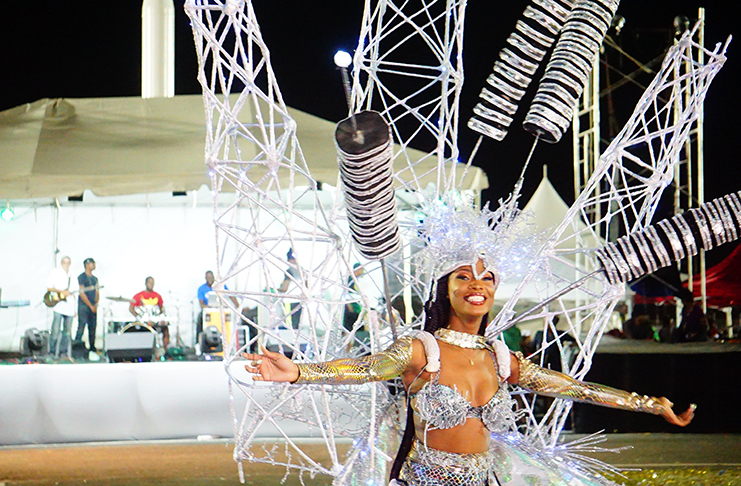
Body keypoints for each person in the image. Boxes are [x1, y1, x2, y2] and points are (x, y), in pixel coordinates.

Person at [243, 260, 695, 485]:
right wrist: (298, 371)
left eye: (486, 278)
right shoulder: (421, 349)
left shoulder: (500, 356)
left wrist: (647, 404)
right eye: (462, 276)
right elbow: (364, 368)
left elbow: (573, 388)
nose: (476, 285)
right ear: (446, 288)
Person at [45, 256, 78, 358]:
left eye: (68, 262)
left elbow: (75, 293)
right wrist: (61, 292)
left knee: (67, 332)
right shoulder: (55, 273)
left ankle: (63, 352)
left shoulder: (73, 276)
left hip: (70, 307)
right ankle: (52, 351)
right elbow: (49, 287)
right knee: (55, 330)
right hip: (58, 306)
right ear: (61, 263)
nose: (66, 264)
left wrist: (75, 309)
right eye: (64, 262)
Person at [129, 276, 169, 349]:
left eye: (152, 283)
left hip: (154, 321)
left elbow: (161, 308)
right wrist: (138, 317)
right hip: (143, 321)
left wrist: (160, 317)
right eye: (149, 283)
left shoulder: (157, 296)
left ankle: (165, 350)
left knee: (165, 329)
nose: (151, 285)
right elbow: (131, 308)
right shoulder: (139, 295)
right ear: (146, 283)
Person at [75, 258, 99, 353]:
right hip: (84, 307)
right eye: (92, 263)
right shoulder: (82, 277)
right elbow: (82, 293)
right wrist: (90, 305)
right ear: (87, 265)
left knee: (93, 327)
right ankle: (76, 347)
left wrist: (96, 304)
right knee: (81, 326)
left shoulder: (95, 279)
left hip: (93, 306)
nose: (94, 265)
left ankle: (92, 347)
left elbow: (97, 292)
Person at [277, 249, 303, 329]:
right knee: (297, 325)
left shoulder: (290, 271)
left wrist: (275, 290)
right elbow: (307, 286)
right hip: (300, 301)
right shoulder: (302, 270)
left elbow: (284, 288)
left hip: (289, 301)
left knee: (289, 327)